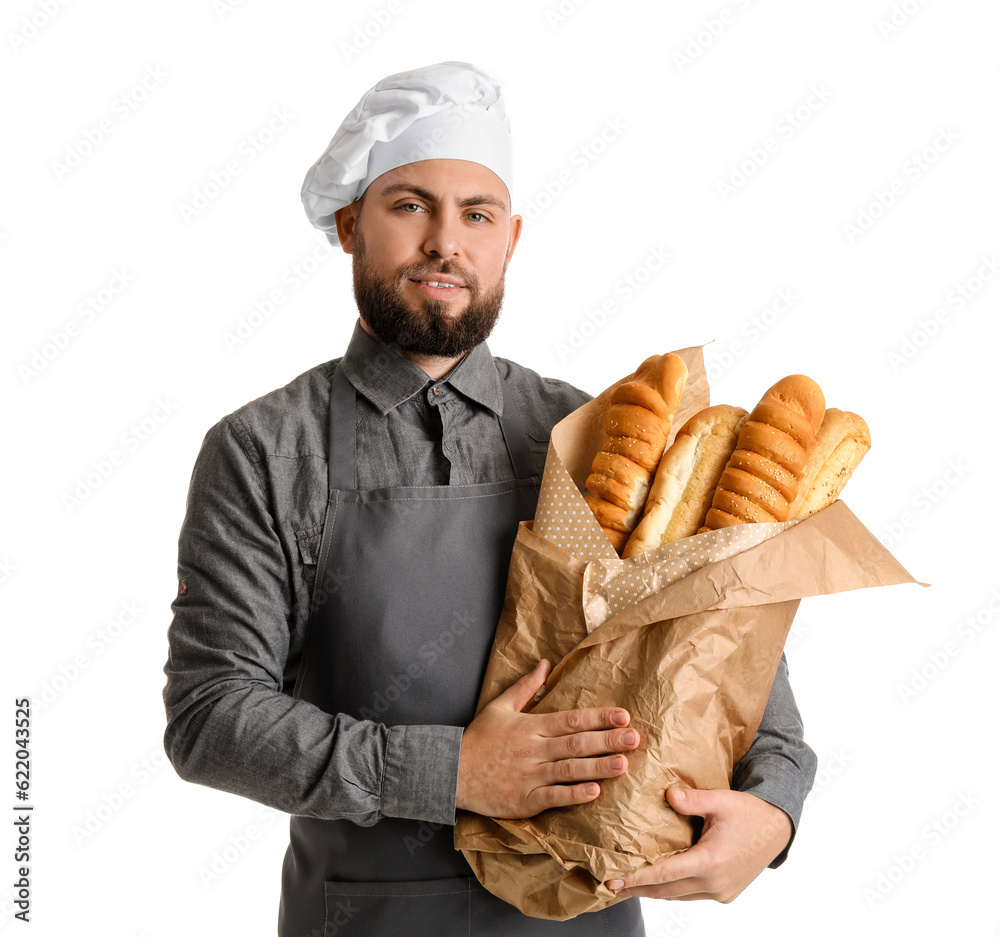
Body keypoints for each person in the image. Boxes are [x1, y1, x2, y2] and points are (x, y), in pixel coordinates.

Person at [162, 61, 817, 937]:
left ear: (510, 241)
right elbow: (210, 715)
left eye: (477, 214)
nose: (446, 242)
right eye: (409, 205)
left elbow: (741, 671)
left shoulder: (591, 435)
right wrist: (452, 773)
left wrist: (773, 814)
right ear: (352, 225)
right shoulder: (263, 450)